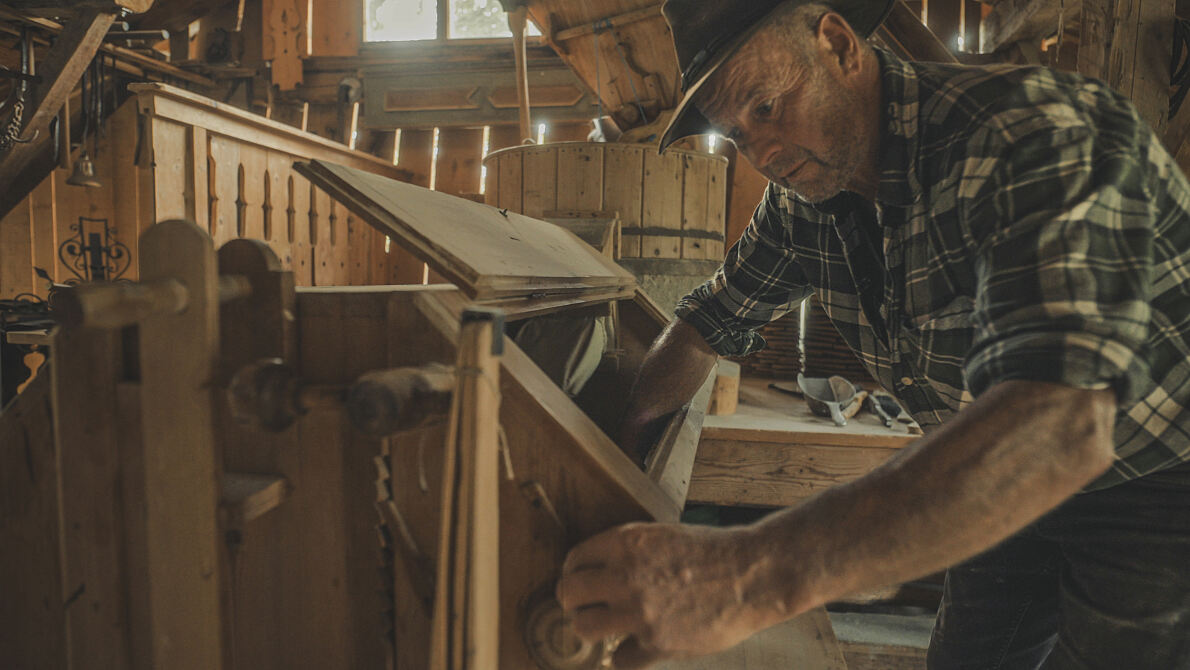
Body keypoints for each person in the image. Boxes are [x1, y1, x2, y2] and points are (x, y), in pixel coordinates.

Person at [555, 1, 1190, 669]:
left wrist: (745, 580)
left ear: (837, 45)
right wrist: (623, 455)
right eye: (738, 135)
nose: (763, 153)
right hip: (990, 462)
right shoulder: (802, 203)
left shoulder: (1032, 133)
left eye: (766, 106)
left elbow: (1059, 425)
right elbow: (705, 327)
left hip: (1155, 477)